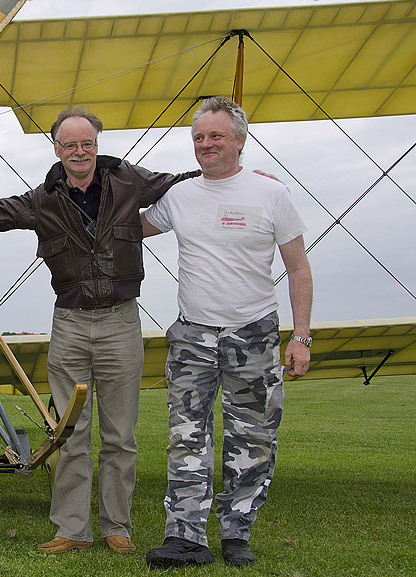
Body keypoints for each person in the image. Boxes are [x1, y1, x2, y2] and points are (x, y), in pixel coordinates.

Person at [0, 107, 200, 554]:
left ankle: (117, 527)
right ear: (56, 149)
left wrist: (235, 176)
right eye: (70, 145)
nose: (80, 152)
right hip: (69, 323)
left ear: (98, 144)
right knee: (68, 431)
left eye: (87, 143)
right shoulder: (43, 200)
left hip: (121, 321)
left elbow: (180, 182)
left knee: (120, 434)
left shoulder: (130, 181)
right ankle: (72, 530)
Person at [141, 96, 313, 568]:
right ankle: (185, 536)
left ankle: (237, 532)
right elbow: (126, 227)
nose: (205, 144)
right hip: (193, 335)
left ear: (239, 140)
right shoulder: (178, 196)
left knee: (254, 436)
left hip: (253, 333)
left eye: (216, 135)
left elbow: (298, 267)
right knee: (185, 436)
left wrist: (301, 336)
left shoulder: (271, 194)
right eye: (198, 137)